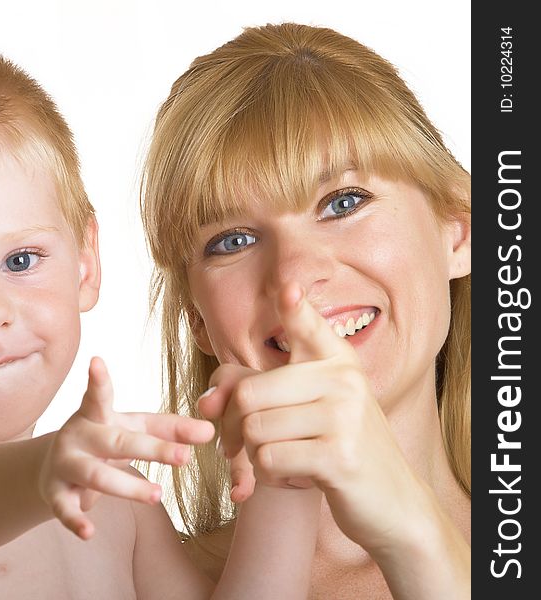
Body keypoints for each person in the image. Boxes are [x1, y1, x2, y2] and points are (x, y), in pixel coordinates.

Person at [0, 39, 317, 599]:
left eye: (20, 261)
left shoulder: (119, 505)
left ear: (86, 263)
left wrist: (283, 480)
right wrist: (44, 472)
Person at [140, 22, 471, 599]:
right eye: (233, 240)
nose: (293, 277)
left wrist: (413, 534)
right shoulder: (132, 581)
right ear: (197, 320)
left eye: (344, 203)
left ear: (458, 231)